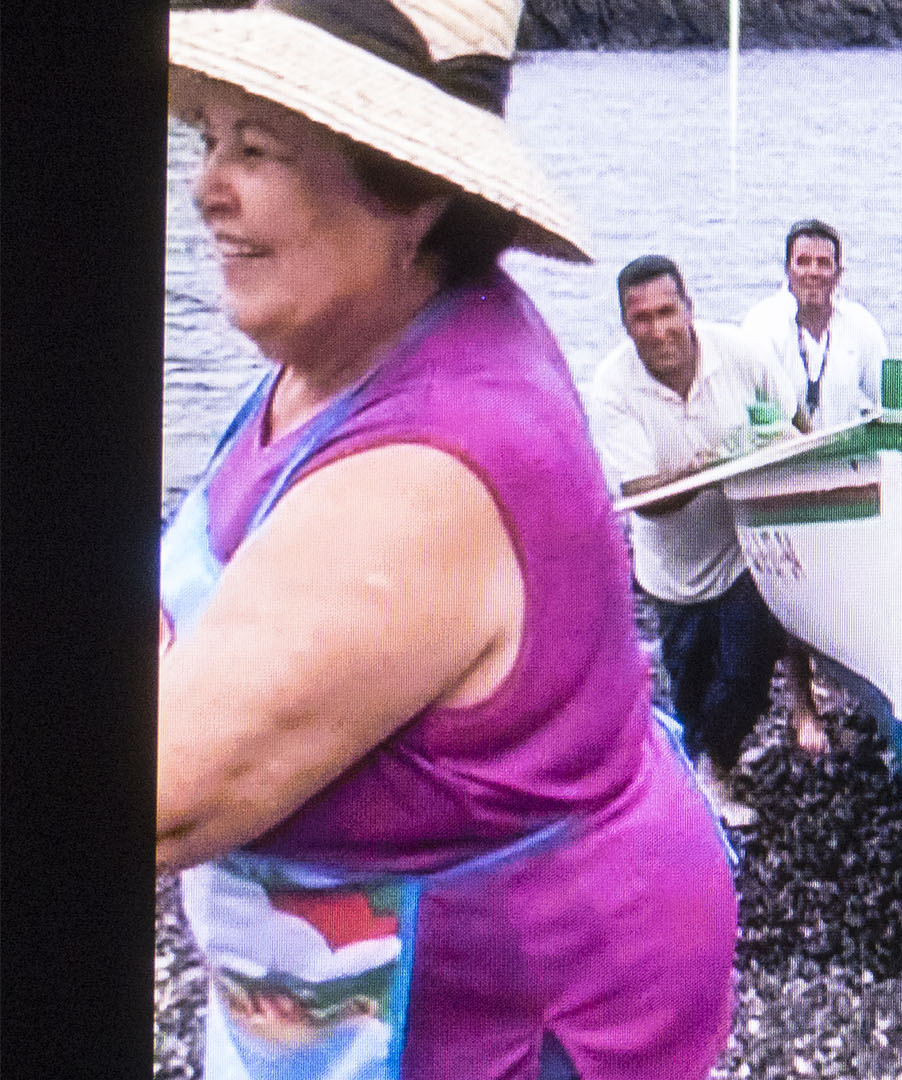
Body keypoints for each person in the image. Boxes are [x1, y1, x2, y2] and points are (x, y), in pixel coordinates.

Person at [157, 3, 737, 1078]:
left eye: (259, 149)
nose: (206, 188)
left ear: (414, 194)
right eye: (208, 140)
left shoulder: (439, 467)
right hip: (341, 993)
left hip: (519, 1016)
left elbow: (165, 790)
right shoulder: (341, 347)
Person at [587, 255, 799, 828]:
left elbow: (797, 421)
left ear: (689, 307)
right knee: (692, 684)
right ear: (626, 325)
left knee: (750, 667)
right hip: (670, 569)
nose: (657, 330)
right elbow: (645, 498)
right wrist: (711, 463)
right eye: (641, 319)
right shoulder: (611, 388)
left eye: (666, 311)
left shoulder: (740, 351)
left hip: (744, 550)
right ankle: (691, 771)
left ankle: (716, 771)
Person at [740, 218, 890, 754]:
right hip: (784, 478)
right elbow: (750, 409)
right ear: (786, 269)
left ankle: (867, 689)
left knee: (856, 589)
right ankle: (803, 704)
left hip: (846, 479)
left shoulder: (862, 329)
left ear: (839, 270)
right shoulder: (760, 327)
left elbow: (885, 405)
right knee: (794, 595)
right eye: (802, 262)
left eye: (823, 262)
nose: (812, 272)